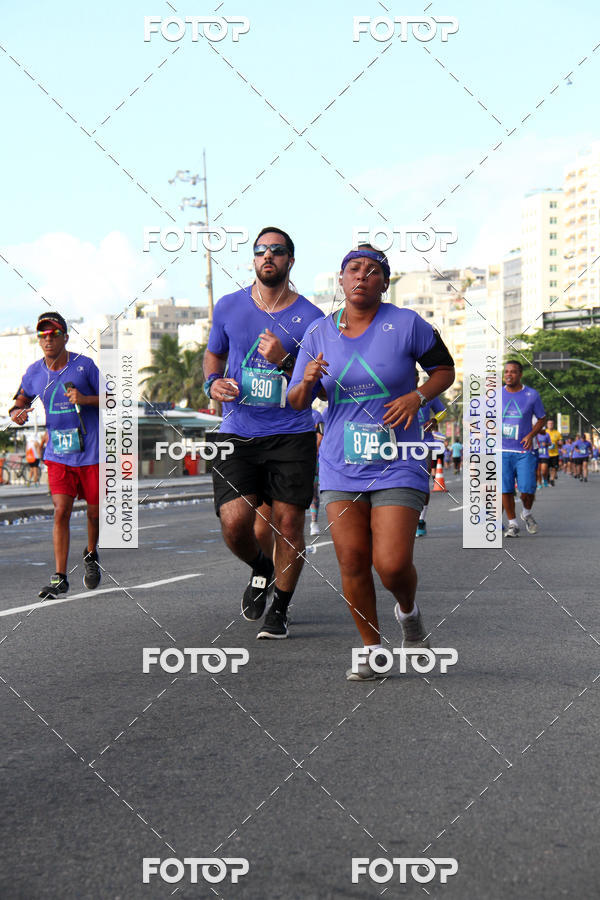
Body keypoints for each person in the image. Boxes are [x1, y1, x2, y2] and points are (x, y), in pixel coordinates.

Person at [288, 244, 454, 680]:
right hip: (341, 463)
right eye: (353, 269)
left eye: (373, 270)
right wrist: (306, 380)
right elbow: (296, 401)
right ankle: (371, 648)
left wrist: (417, 397)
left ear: (385, 281)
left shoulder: (406, 324)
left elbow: (444, 369)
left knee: (392, 563)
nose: (362, 275)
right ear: (341, 280)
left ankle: (408, 613)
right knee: (353, 560)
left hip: (399, 457)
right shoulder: (318, 335)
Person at [203, 227, 324, 639]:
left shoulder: (311, 318)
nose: (267, 256)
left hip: (291, 433)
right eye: (260, 251)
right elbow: (213, 355)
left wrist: (286, 358)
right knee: (235, 522)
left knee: (289, 523)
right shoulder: (229, 307)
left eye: (276, 251)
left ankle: (282, 609)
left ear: (291, 261)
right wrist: (212, 383)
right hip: (237, 431)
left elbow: (320, 387)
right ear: (252, 260)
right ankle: (261, 567)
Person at [9, 312, 102, 598]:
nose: (47, 339)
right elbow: (21, 398)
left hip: (92, 453)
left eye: (53, 334)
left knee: (95, 512)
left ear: (65, 337)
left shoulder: (84, 367)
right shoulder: (35, 372)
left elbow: (115, 399)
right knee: (61, 510)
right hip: (58, 454)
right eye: (42, 335)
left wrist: (85, 400)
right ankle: (60, 576)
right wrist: (17, 412)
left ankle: (90, 552)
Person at [501, 360, 546, 537]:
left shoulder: (532, 395)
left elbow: (541, 418)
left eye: (512, 372)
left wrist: (530, 435)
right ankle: (512, 523)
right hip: (502, 450)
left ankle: (526, 513)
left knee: (527, 489)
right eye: (506, 372)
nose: (508, 375)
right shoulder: (495, 396)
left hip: (524, 451)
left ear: (520, 374)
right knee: (506, 489)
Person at [415, 387, 446, 537]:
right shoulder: (396, 391)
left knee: (422, 481)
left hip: (425, 445)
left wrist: (434, 420)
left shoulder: (427, 395)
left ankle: (421, 519)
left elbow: (442, 411)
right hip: (400, 446)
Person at [309, 407, 325, 535]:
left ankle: (314, 522)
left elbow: (320, 437)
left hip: (311, 459)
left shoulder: (316, 415)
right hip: (292, 458)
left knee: (313, 491)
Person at [545, 418, 562, 485]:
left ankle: (552, 479)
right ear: (547, 425)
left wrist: (560, 443)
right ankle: (548, 477)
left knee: (554, 467)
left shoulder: (557, 433)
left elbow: (560, 441)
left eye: (551, 424)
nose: (550, 425)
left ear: (553, 424)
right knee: (547, 468)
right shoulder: (544, 432)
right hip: (546, 453)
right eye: (549, 424)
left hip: (555, 453)